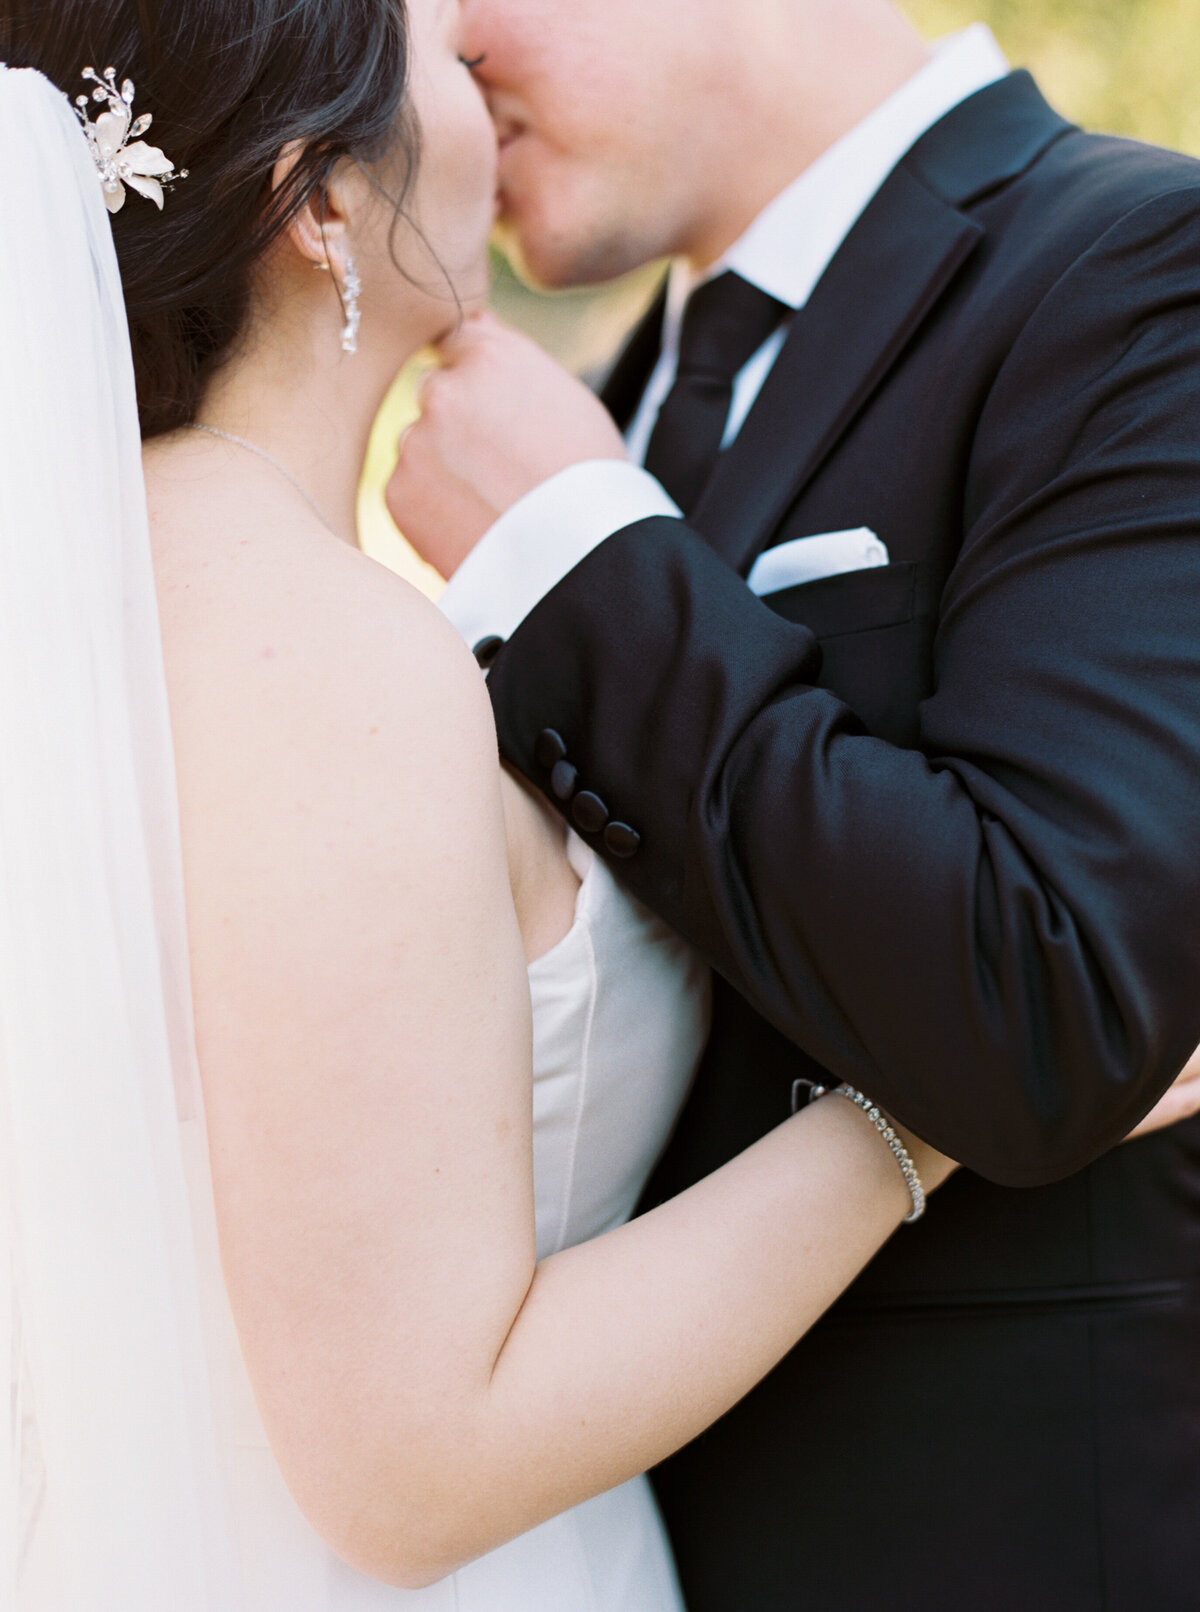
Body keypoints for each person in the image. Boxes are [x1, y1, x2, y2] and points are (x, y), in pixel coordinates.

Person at [0, 6, 989, 1608]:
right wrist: (926, 1114)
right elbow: (415, 1463)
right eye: (440, 55)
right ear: (319, 205)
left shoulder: (110, 601)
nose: (485, 66)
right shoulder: (312, 649)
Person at [385, 2, 1200, 1607]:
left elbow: (1051, 991)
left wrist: (583, 560)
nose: (435, 48)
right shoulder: (618, 398)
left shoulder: (1135, 268)